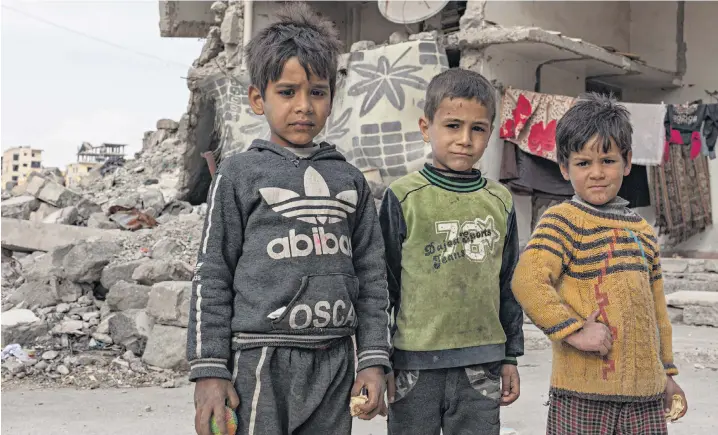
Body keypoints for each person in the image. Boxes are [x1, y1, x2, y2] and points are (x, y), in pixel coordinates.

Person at [186, 4, 391, 435]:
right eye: (287, 92)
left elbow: (372, 277)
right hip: (262, 359)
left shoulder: (349, 180)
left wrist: (372, 359)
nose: (304, 106)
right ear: (258, 98)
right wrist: (210, 370)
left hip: (336, 360)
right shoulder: (240, 174)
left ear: (333, 96)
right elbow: (212, 273)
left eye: (317, 92)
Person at [511, 93, 688, 435]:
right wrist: (574, 331)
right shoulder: (562, 220)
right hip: (582, 393)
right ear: (564, 168)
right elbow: (527, 280)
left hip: (645, 397)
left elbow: (657, 312)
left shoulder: (642, 230)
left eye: (607, 160)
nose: (596, 173)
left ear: (627, 162)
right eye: (583, 163)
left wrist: (667, 374)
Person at [379, 68, 524, 435]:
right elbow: (383, 286)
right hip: (414, 363)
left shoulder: (500, 200)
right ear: (427, 128)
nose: (464, 139)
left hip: (482, 363)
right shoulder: (403, 197)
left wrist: (510, 357)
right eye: (452, 125)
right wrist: (378, 359)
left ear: (490, 133)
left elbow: (510, 283)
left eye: (478, 128)